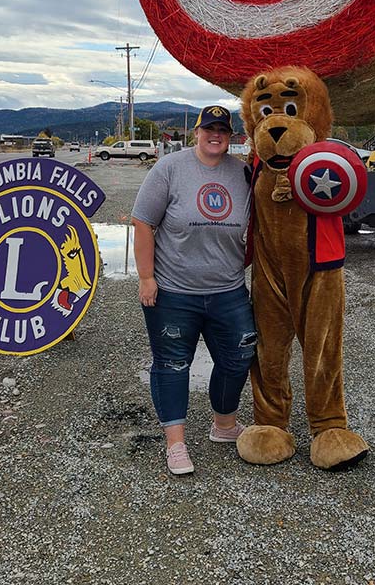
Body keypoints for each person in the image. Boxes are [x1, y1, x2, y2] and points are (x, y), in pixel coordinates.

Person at [131, 105, 256, 475]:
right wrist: (146, 277)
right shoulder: (170, 169)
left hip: (228, 290)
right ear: (196, 133)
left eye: (222, 129)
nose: (214, 135)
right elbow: (142, 223)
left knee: (238, 358)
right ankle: (176, 444)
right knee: (172, 364)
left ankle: (224, 425)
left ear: (231, 136)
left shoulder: (243, 173)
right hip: (173, 292)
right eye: (208, 129)